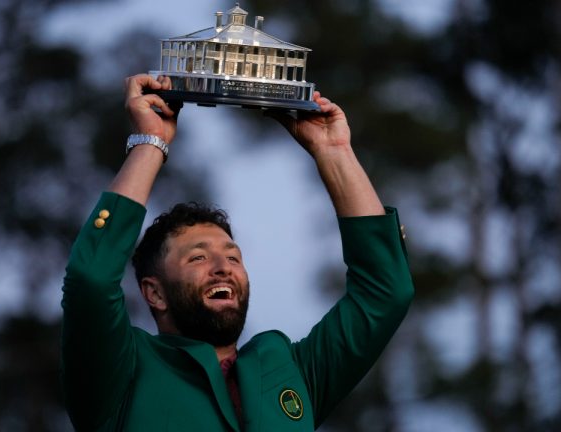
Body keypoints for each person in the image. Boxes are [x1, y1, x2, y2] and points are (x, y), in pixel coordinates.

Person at [60, 74, 414, 431]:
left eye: (233, 257)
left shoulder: (289, 371)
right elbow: (90, 279)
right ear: (154, 293)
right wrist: (151, 142)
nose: (222, 267)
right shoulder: (122, 370)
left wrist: (333, 151)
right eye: (198, 257)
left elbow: (384, 293)